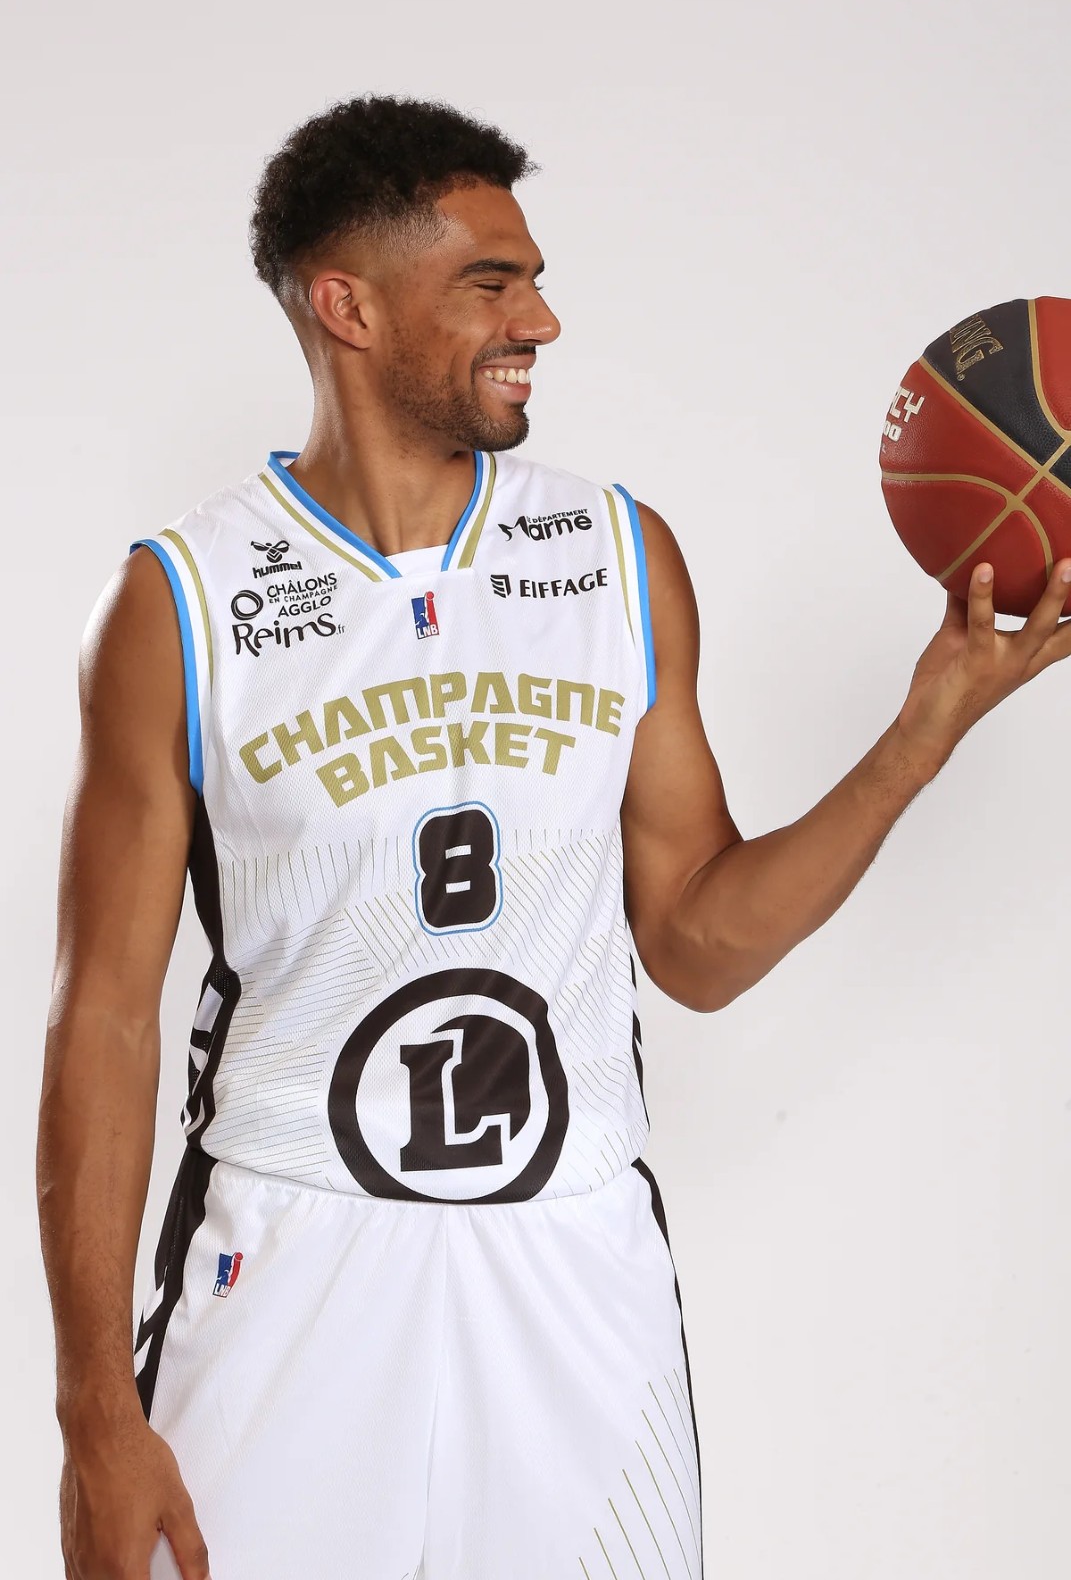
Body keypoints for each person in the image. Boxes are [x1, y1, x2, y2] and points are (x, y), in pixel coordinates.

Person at [36, 92, 1071, 1580]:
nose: (541, 319)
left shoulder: (615, 557)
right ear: (347, 307)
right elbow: (103, 1020)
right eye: (490, 283)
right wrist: (91, 1408)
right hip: (288, 1257)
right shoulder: (180, 602)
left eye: (532, 279)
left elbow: (698, 945)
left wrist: (925, 731)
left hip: (572, 1262)